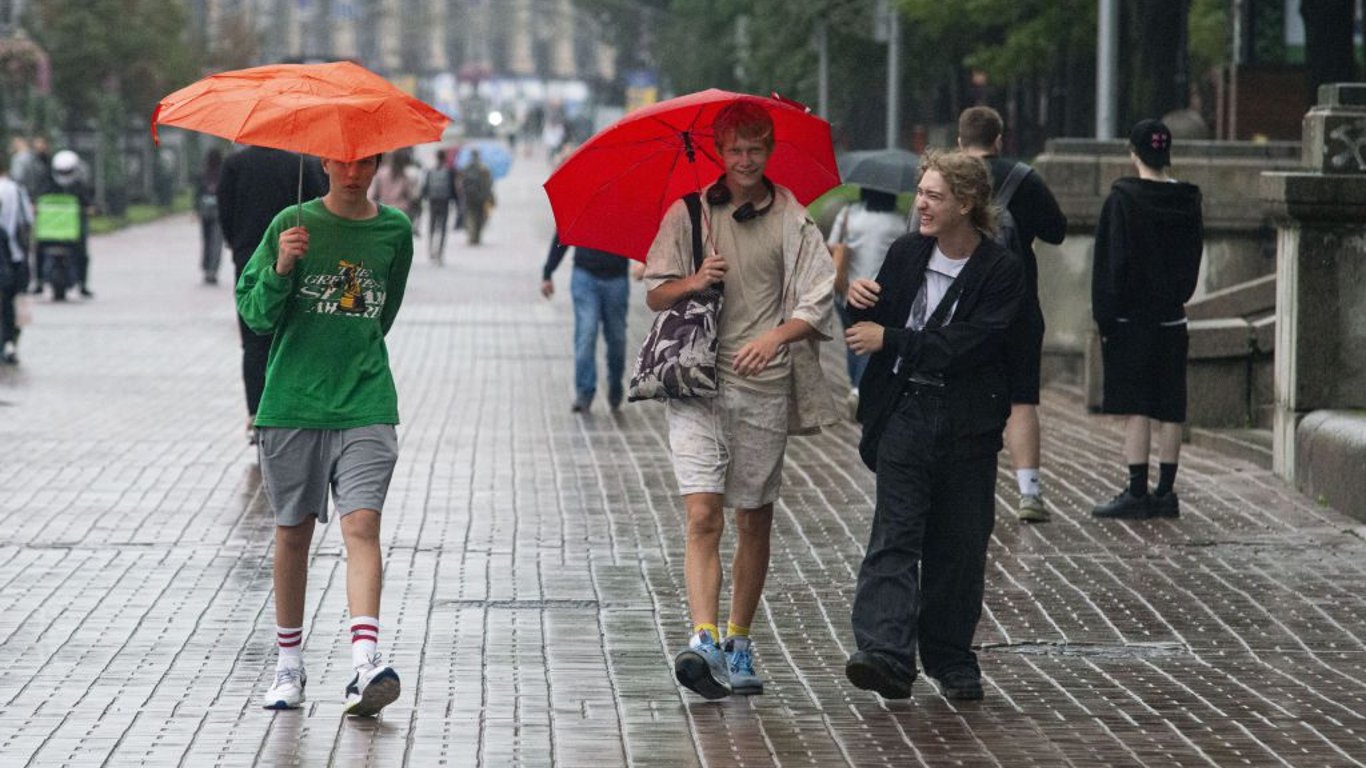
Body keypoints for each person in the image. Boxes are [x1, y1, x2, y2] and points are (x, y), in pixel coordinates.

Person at [643, 99, 838, 699]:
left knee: (754, 517)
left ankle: (739, 639)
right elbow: (656, 292)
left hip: (764, 386)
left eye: (756, 149)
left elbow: (817, 296)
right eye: (735, 150)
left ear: (770, 150)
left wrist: (775, 337)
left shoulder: (792, 219)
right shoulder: (690, 213)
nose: (746, 160)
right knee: (703, 513)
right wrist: (696, 279)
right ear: (719, 152)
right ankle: (702, 639)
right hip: (698, 384)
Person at [235, 152, 413, 716]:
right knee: (292, 534)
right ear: (325, 163)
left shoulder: (395, 230)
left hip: (365, 399)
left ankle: (366, 662)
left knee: (362, 525)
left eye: (364, 163)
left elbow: (383, 313)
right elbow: (255, 315)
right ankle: (289, 666)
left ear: (379, 163)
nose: (353, 173)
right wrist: (282, 269)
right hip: (291, 402)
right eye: (341, 162)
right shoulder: (291, 224)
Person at [842, 150, 1024, 702]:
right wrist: (857, 303)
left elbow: (971, 343)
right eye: (920, 193)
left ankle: (950, 658)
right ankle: (886, 654)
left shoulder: (1000, 270)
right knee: (894, 535)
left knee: (959, 545)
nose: (920, 204)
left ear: (966, 203)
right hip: (906, 413)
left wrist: (890, 339)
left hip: (967, 422)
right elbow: (874, 325)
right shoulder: (905, 253)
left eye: (933, 196)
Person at [956, 106, 1067, 523]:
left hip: (962, 308)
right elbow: (1057, 230)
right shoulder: (1022, 177)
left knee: (965, 394)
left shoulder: (948, 181)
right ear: (999, 140)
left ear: (959, 141)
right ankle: (1029, 493)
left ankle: (966, 490)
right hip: (1018, 305)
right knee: (1022, 399)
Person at [1090, 119, 1203, 520]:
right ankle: (1166, 492)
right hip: (1173, 316)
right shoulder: (1189, 200)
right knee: (1170, 403)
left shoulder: (1122, 200)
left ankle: (1137, 491)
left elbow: (1110, 263)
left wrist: (1106, 316)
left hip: (1131, 317)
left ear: (1133, 152)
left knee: (1136, 403)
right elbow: (1193, 258)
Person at [218, 145, 328, 444]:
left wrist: (238, 242)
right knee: (291, 334)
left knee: (254, 341)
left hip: (247, 253)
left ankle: (256, 414)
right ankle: (292, 410)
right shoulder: (301, 164)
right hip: (297, 254)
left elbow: (224, 212)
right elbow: (320, 207)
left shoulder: (235, 164)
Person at [827, 186, 905, 417]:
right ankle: (860, 389)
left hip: (846, 290)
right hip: (879, 293)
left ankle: (855, 386)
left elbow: (832, 245)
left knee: (852, 340)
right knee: (870, 342)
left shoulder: (849, 214)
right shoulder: (899, 222)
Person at [541, 233, 635, 412]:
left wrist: (646, 263)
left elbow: (643, 234)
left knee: (617, 338)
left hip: (616, 279)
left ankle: (615, 383)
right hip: (585, 277)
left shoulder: (626, 207)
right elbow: (563, 234)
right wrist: (548, 272)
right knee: (586, 333)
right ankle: (584, 392)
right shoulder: (583, 206)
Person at [0, 154, 33, 364]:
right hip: (12, 257)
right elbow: (27, 221)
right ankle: (9, 343)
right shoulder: (16, 190)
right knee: (11, 303)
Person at [48, 150, 94, 298]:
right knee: (38, 249)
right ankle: (38, 281)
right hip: (51, 228)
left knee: (83, 253)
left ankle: (83, 284)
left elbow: (88, 202)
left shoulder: (79, 186)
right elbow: (38, 198)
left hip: (74, 228)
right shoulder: (49, 184)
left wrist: (91, 208)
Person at [194, 148, 225, 284]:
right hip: (219, 212)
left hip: (206, 211)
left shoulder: (203, 174)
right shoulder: (223, 174)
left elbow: (197, 194)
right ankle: (213, 269)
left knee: (207, 241)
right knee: (216, 243)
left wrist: (196, 209)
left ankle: (207, 268)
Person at [421, 150, 458, 264]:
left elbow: (425, 187)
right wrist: (456, 202)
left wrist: (423, 199)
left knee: (432, 226)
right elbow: (453, 189)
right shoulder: (449, 171)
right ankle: (440, 252)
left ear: (436, 157)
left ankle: (431, 250)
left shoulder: (430, 171)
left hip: (433, 201)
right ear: (445, 158)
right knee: (442, 228)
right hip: (444, 202)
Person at [369, 151, 421, 231]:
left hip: (385, 214)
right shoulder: (405, 178)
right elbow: (413, 197)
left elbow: (372, 196)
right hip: (399, 216)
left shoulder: (381, 174)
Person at [460, 150, 494, 245]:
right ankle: (477, 236)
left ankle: (472, 236)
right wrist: (488, 196)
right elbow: (489, 184)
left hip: (469, 197)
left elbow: (462, 183)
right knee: (481, 217)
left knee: (471, 216)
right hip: (481, 197)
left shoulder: (466, 168)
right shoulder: (484, 169)